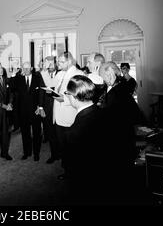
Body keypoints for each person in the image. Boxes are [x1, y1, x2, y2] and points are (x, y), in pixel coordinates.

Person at [99, 61, 141, 203]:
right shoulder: (115, 86)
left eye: (104, 76)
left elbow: (119, 114)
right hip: (121, 132)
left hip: (120, 134)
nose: (103, 80)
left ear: (110, 73)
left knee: (121, 167)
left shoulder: (119, 89)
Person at [64, 75, 110, 204]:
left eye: (67, 93)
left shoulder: (74, 131)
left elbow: (75, 171)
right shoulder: (104, 112)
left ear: (73, 97)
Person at [53, 52, 84, 180]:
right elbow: (56, 90)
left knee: (72, 147)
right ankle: (67, 170)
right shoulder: (59, 74)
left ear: (69, 61)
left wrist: (61, 98)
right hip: (58, 115)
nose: (58, 64)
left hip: (70, 115)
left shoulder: (78, 74)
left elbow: (79, 96)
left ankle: (74, 173)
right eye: (58, 61)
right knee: (63, 146)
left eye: (61, 62)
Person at [12, 62, 44, 161]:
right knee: (25, 133)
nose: (25, 70)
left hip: (35, 111)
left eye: (27, 68)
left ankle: (36, 153)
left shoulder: (37, 78)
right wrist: (14, 74)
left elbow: (41, 93)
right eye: (23, 68)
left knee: (36, 133)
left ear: (31, 68)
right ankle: (27, 152)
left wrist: (40, 107)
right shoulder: (18, 79)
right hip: (23, 111)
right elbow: (12, 88)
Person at [0, 61, 14, 163]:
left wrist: (10, 103)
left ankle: (5, 153)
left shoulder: (6, 80)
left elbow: (11, 93)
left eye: (0, 68)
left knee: (5, 134)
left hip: (6, 111)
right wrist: (4, 106)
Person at [38, 56, 60, 164]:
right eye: (47, 64)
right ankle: (54, 154)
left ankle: (62, 154)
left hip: (60, 108)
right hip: (47, 108)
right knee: (50, 133)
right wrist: (41, 107)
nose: (49, 66)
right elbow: (41, 92)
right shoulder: (43, 75)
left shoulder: (61, 74)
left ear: (55, 64)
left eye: (51, 64)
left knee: (60, 133)